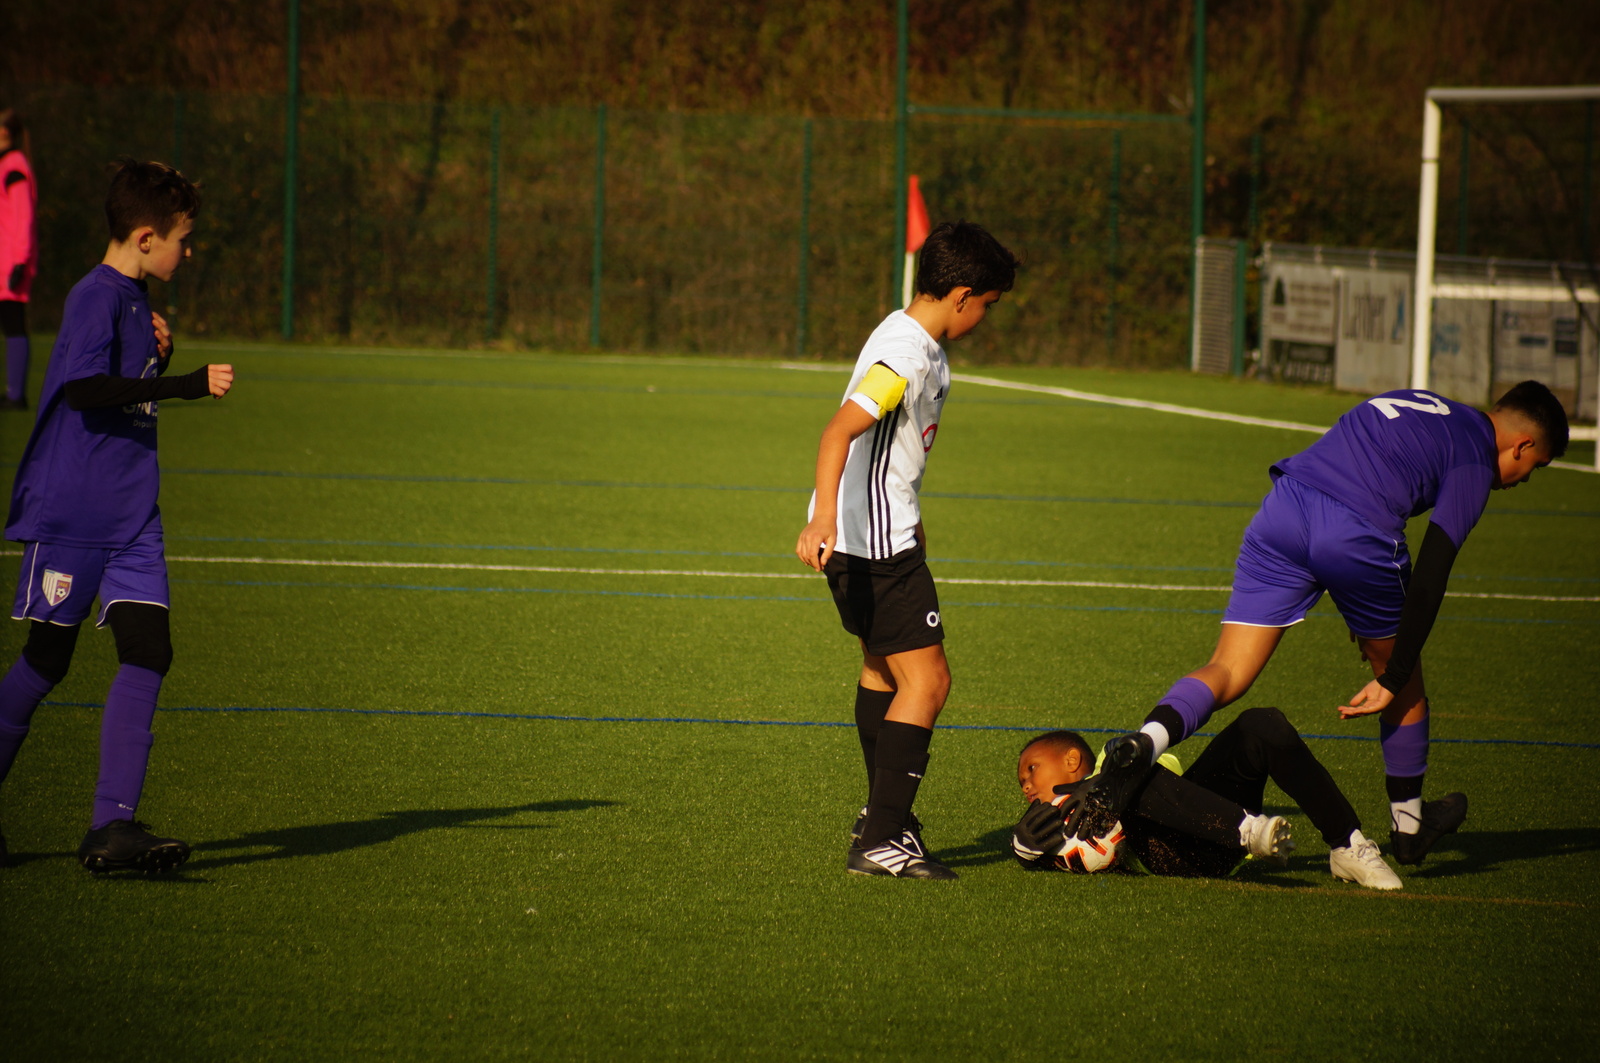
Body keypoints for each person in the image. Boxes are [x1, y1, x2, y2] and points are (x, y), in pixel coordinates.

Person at [1088, 382, 1568, 868]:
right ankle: (1410, 828)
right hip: (1356, 534)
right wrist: (1395, 673)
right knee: (1405, 686)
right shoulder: (1474, 457)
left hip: (1285, 509)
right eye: (1536, 466)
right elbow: (1432, 573)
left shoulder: (1420, 401)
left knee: (1229, 667)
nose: (1525, 478)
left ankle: (1146, 741)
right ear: (1522, 445)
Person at [0, 159, 233, 873]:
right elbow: (83, 390)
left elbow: (125, 385)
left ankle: (112, 826)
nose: (187, 251)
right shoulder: (94, 296)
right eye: (181, 239)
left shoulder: (135, 301)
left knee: (149, 650)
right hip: (76, 511)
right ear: (144, 237)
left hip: (134, 513)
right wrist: (186, 383)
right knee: (47, 660)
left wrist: (161, 356)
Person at [795, 221, 1018, 879]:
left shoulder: (904, 334)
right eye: (987, 305)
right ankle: (882, 837)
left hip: (868, 538)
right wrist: (825, 518)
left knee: (882, 671)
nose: (983, 317)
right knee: (929, 681)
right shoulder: (909, 356)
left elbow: (887, 447)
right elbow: (839, 432)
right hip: (874, 547)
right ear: (962, 295)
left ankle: (881, 818)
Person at [1012, 707, 1402, 889]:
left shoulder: (1109, 761)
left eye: (1031, 769)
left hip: (1200, 835)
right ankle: (1248, 830)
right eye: (1021, 782)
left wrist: (1106, 784)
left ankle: (1347, 845)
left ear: (1071, 759)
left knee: (1261, 724)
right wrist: (1028, 852)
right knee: (1124, 778)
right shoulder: (1051, 823)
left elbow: (1158, 771)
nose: (1026, 785)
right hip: (1172, 860)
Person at [1, 108, 38, 410]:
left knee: (13, 323)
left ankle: (16, 395)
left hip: (10, 263)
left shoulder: (14, 165)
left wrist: (19, 261)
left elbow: (24, 217)